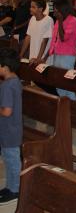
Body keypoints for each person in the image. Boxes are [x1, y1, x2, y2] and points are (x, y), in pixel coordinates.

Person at [45, 0, 76, 100]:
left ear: (62, 10)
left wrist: (60, 21)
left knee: (67, 83)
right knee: (59, 83)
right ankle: (63, 105)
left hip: (67, 56)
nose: (54, 12)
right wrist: (46, 56)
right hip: (57, 54)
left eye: (56, 10)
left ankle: (72, 105)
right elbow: (54, 39)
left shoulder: (73, 20)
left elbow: (63, 38)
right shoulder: (58, 20)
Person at [0, 48, 22, 205]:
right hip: (12, 129)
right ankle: (10, 186)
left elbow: (6, 111)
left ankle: (15, 189)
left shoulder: (7, 86)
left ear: (4, 67)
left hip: (9, 130)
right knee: (9, 159)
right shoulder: (15, 80)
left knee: (12, 160)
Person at [19, 0, 53, 64]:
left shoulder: (48, 20)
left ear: (40, 9)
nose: (30, 9)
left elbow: (45, 41)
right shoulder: (32, 19)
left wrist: (39, 58)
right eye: (30, 6)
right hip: (33, 56)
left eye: (33, 7)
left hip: (43, 58)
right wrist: (21, 54)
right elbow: (28, 37)